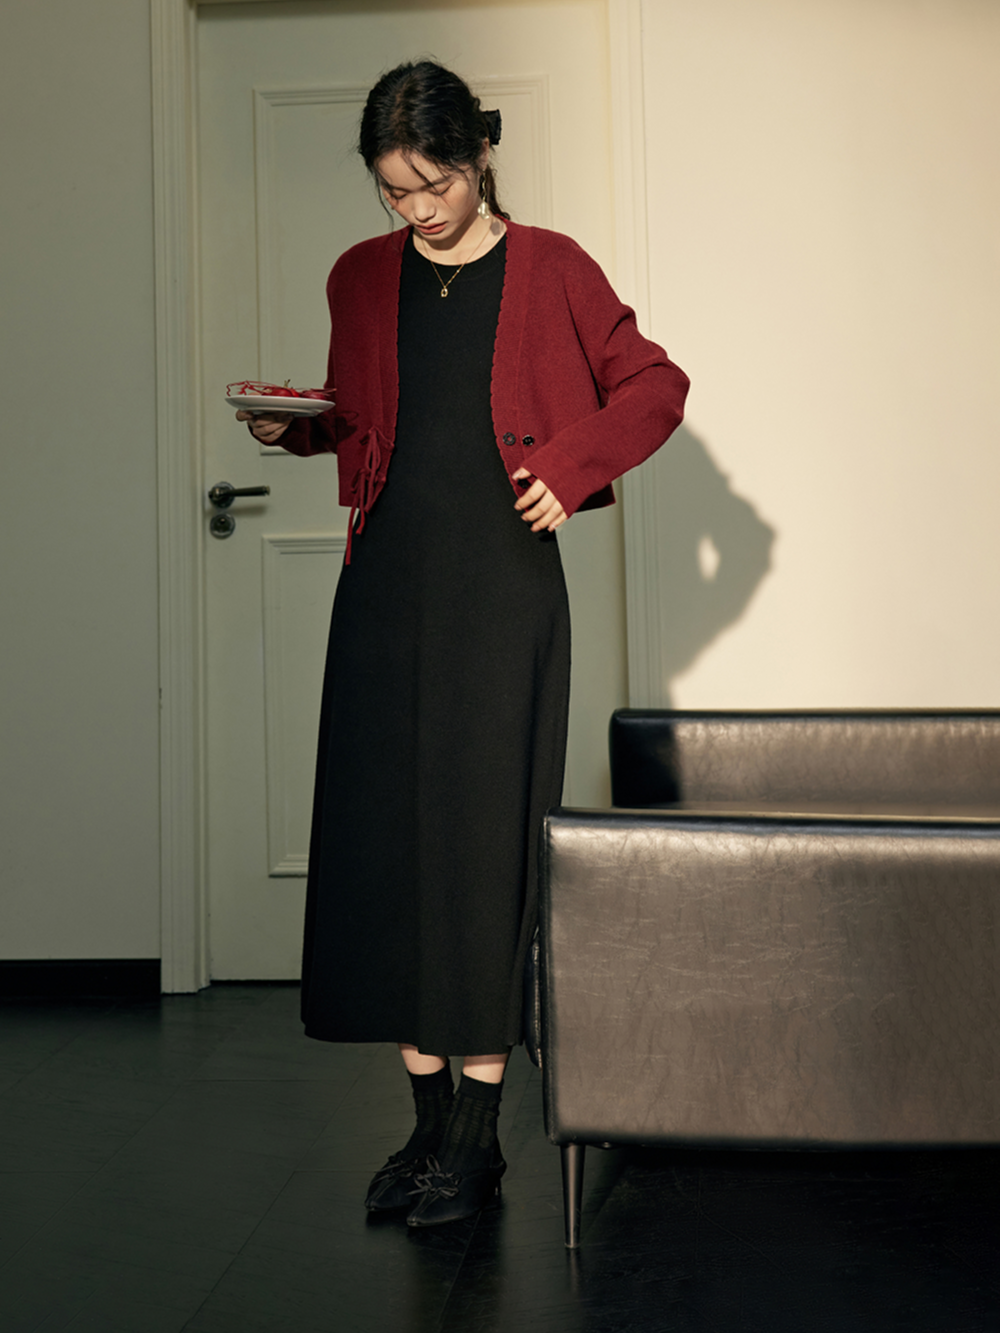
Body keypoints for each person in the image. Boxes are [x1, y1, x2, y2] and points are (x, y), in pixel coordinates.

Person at [236, 59, 689, 1227]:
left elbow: (654, 384)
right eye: (394, 191)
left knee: (478, 853)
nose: (417, 207)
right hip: (384, 589)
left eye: (432, 181)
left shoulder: (553, 267)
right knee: (392, 852)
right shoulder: (358, 276)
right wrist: (299, 426)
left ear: (477, 154)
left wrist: (572, 468)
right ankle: (426, 1128)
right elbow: (366, 415)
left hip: (500, 592)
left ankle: (478, 1146)